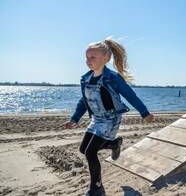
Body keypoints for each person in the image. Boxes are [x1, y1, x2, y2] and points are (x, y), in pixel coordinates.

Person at [63, 38, 154, 196]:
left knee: (91, 153)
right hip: (96, 120)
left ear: (106, 58)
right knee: (83, 149)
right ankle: (113, 144)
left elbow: (130, 95)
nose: (88, 61)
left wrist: (144, 113)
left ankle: (97, 188)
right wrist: (75, 119)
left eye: (93, 57)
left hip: (110, 120)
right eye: (87, 57)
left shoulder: (113, 78)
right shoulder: (86, 79)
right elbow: (83, 101)